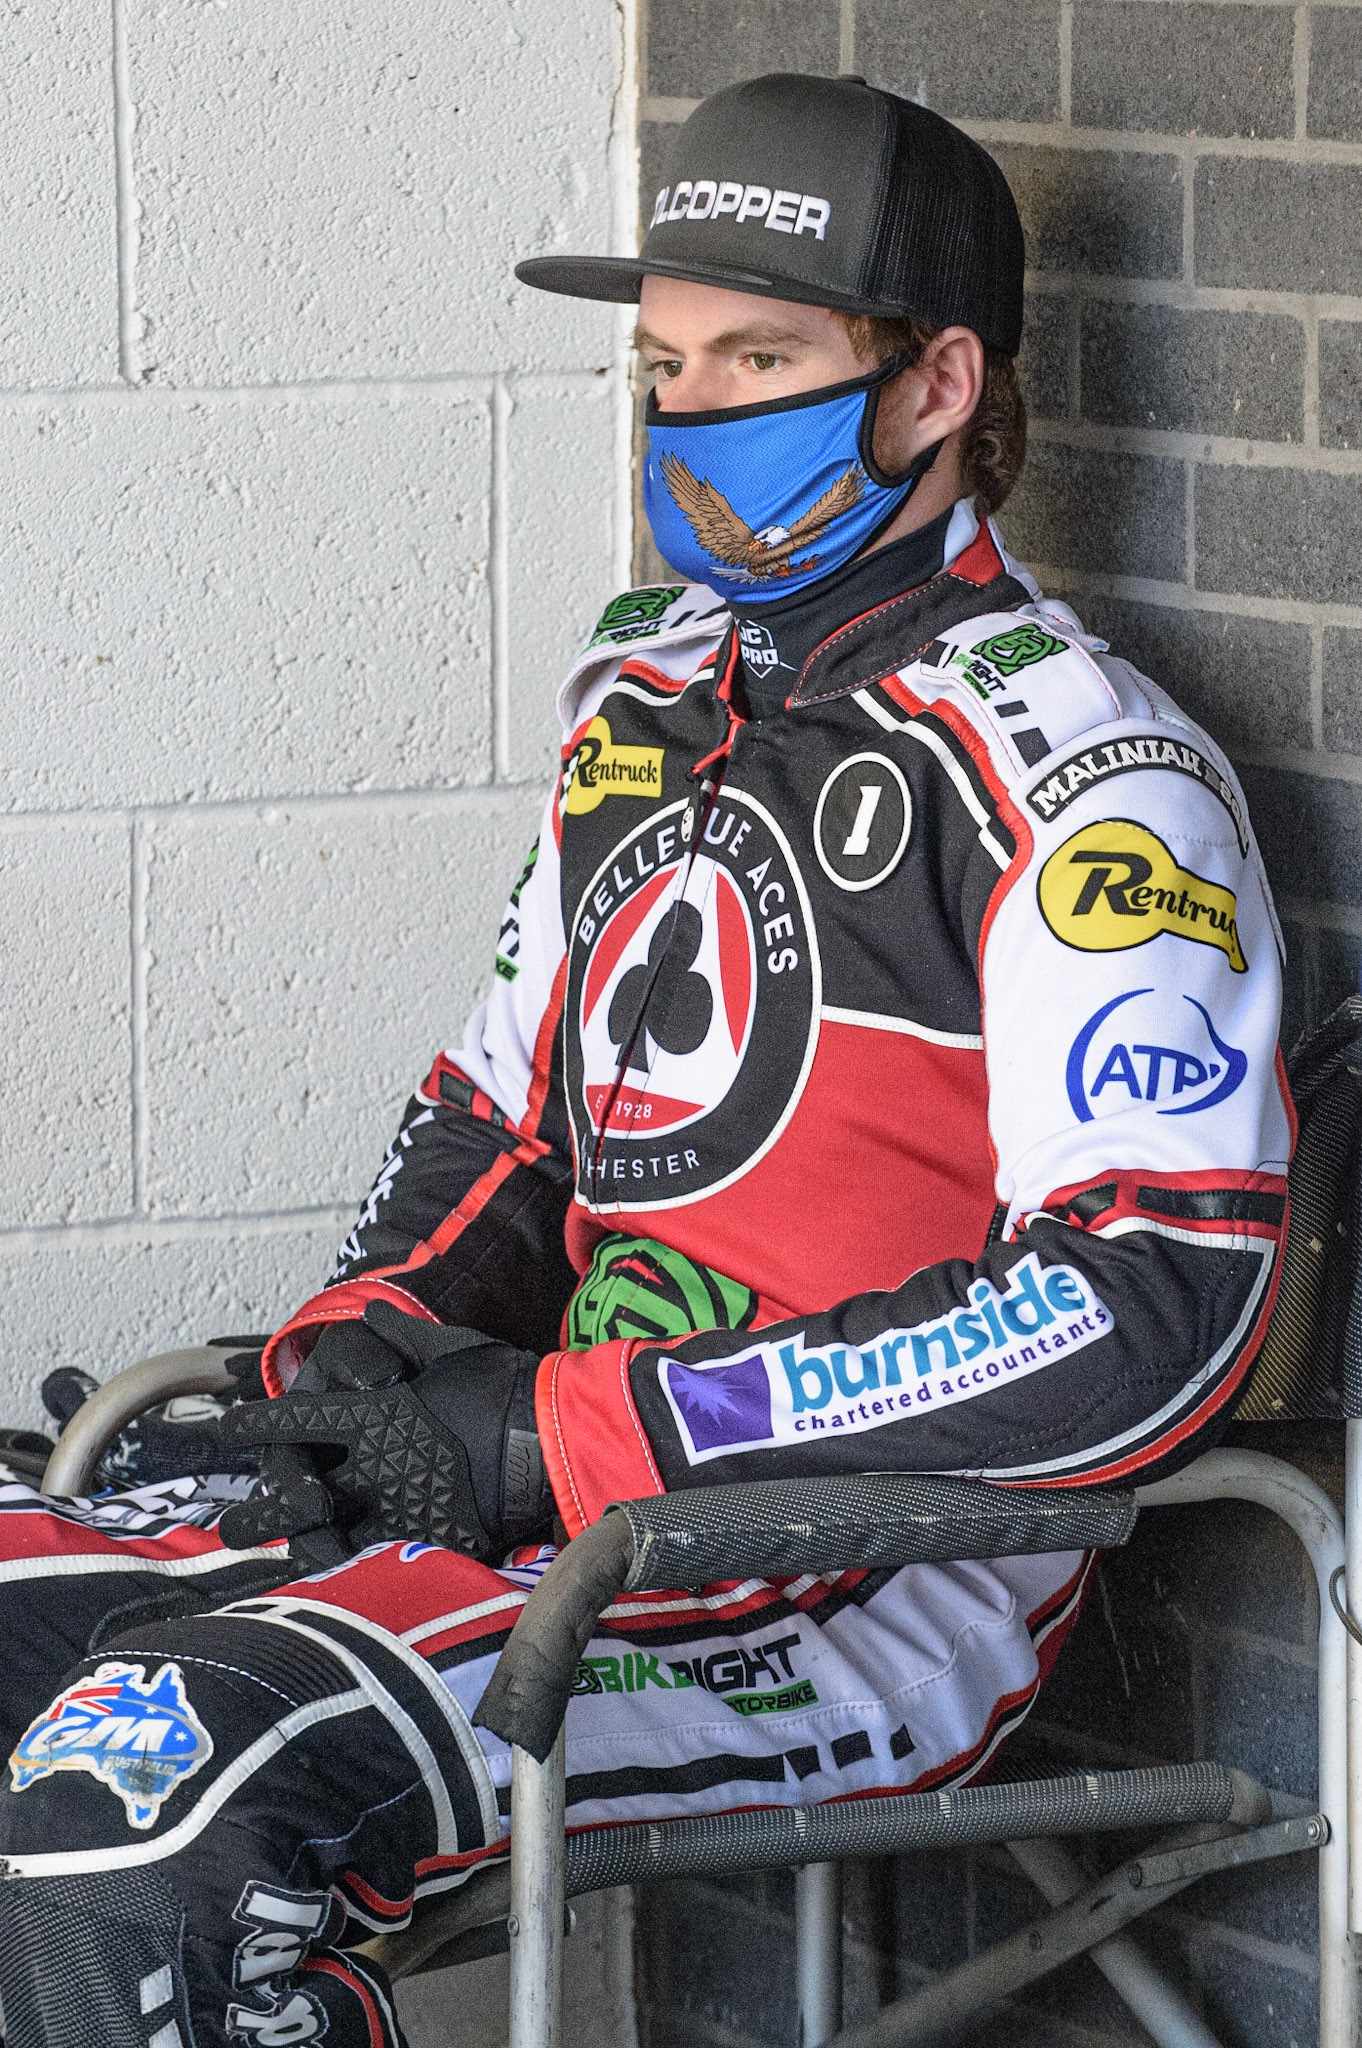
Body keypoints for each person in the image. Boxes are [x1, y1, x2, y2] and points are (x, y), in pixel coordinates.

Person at [0, 72, 1291, 2048]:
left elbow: (1152, 1302)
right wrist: (342, 1379)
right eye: (670, 365)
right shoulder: (646, 695)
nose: (694, 420)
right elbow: (493, 1123)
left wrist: (562, 1437)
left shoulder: (1088, 772)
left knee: (136, 1810)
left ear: (939, 386)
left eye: (760, 356)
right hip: (546, 1488)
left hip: (852, 1577)